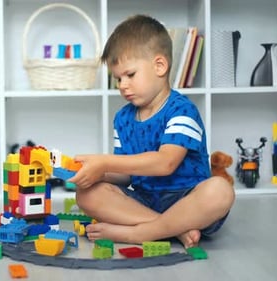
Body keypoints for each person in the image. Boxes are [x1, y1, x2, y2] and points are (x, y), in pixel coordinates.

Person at [68, 14, 235, 249]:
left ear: (160, 66)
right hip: (144, 202)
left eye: (130, 75)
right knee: (86, 194)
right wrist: (97, 173)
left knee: (221, 190)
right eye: (117, 79)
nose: (122, 85)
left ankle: (138, 234)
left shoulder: (182, 110)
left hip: (187, 199)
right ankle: (172, 229)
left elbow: (165, 163)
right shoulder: (122, 118)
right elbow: (125, 174)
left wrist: (104, 162)